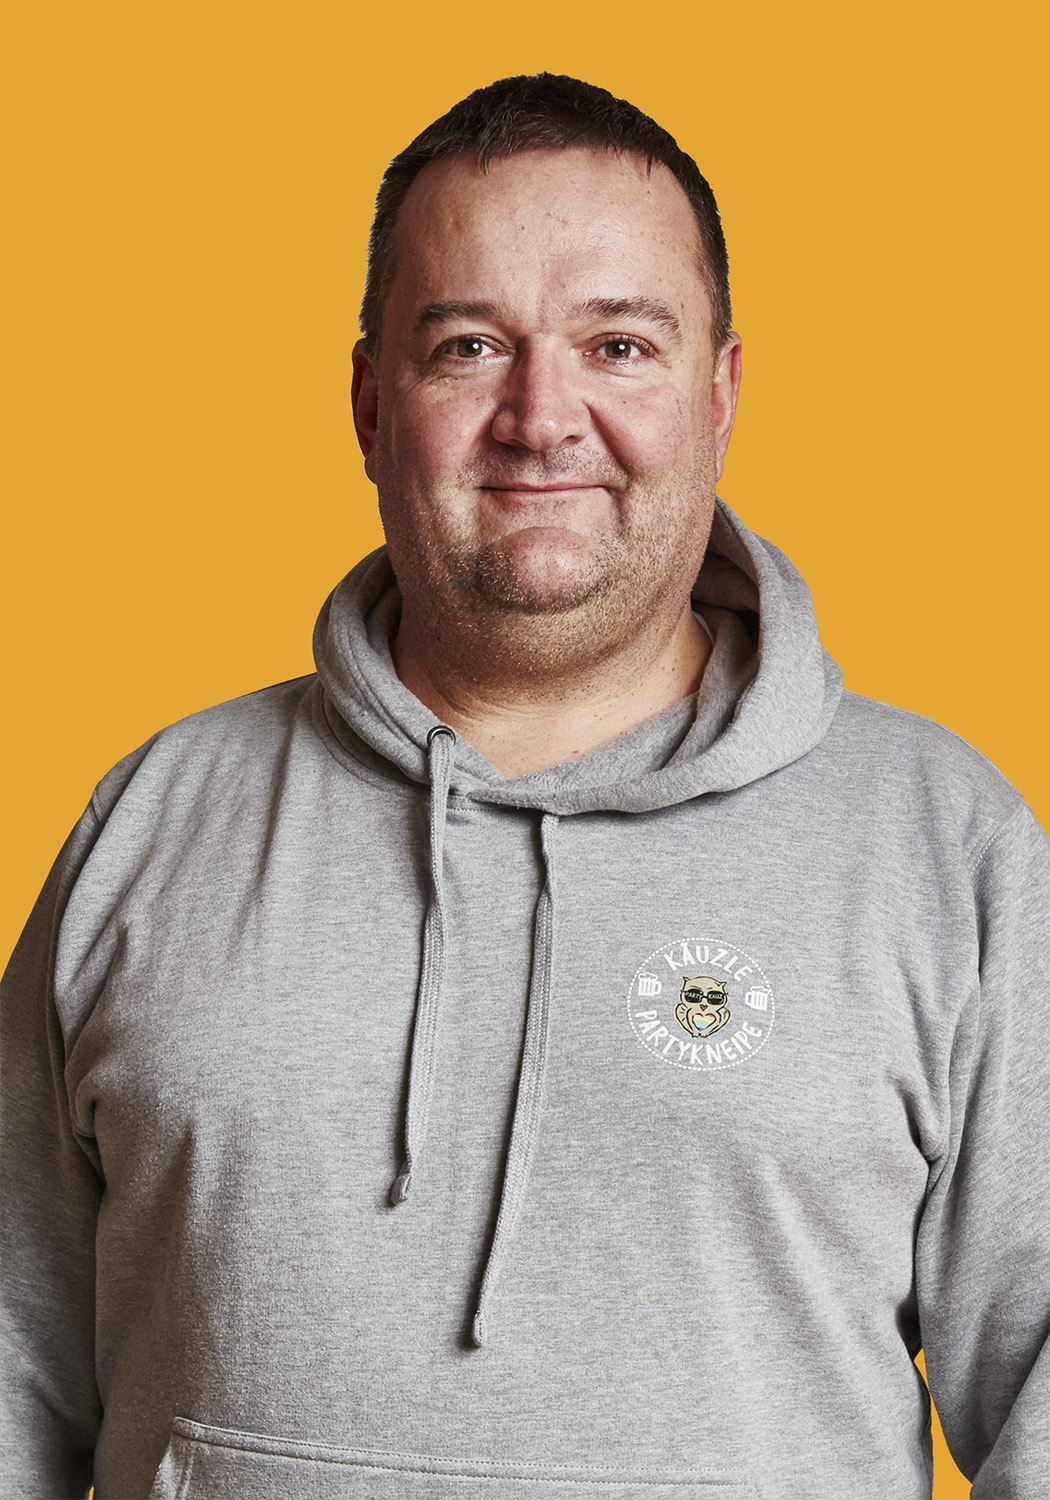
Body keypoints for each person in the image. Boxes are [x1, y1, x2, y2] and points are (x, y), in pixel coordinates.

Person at [1, 71, 1046, 1500]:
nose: (541, 417)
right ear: (371, 405)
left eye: (619, 345)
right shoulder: (156, 820)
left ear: (719, 394)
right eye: (469, 347)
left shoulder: (943, 845)